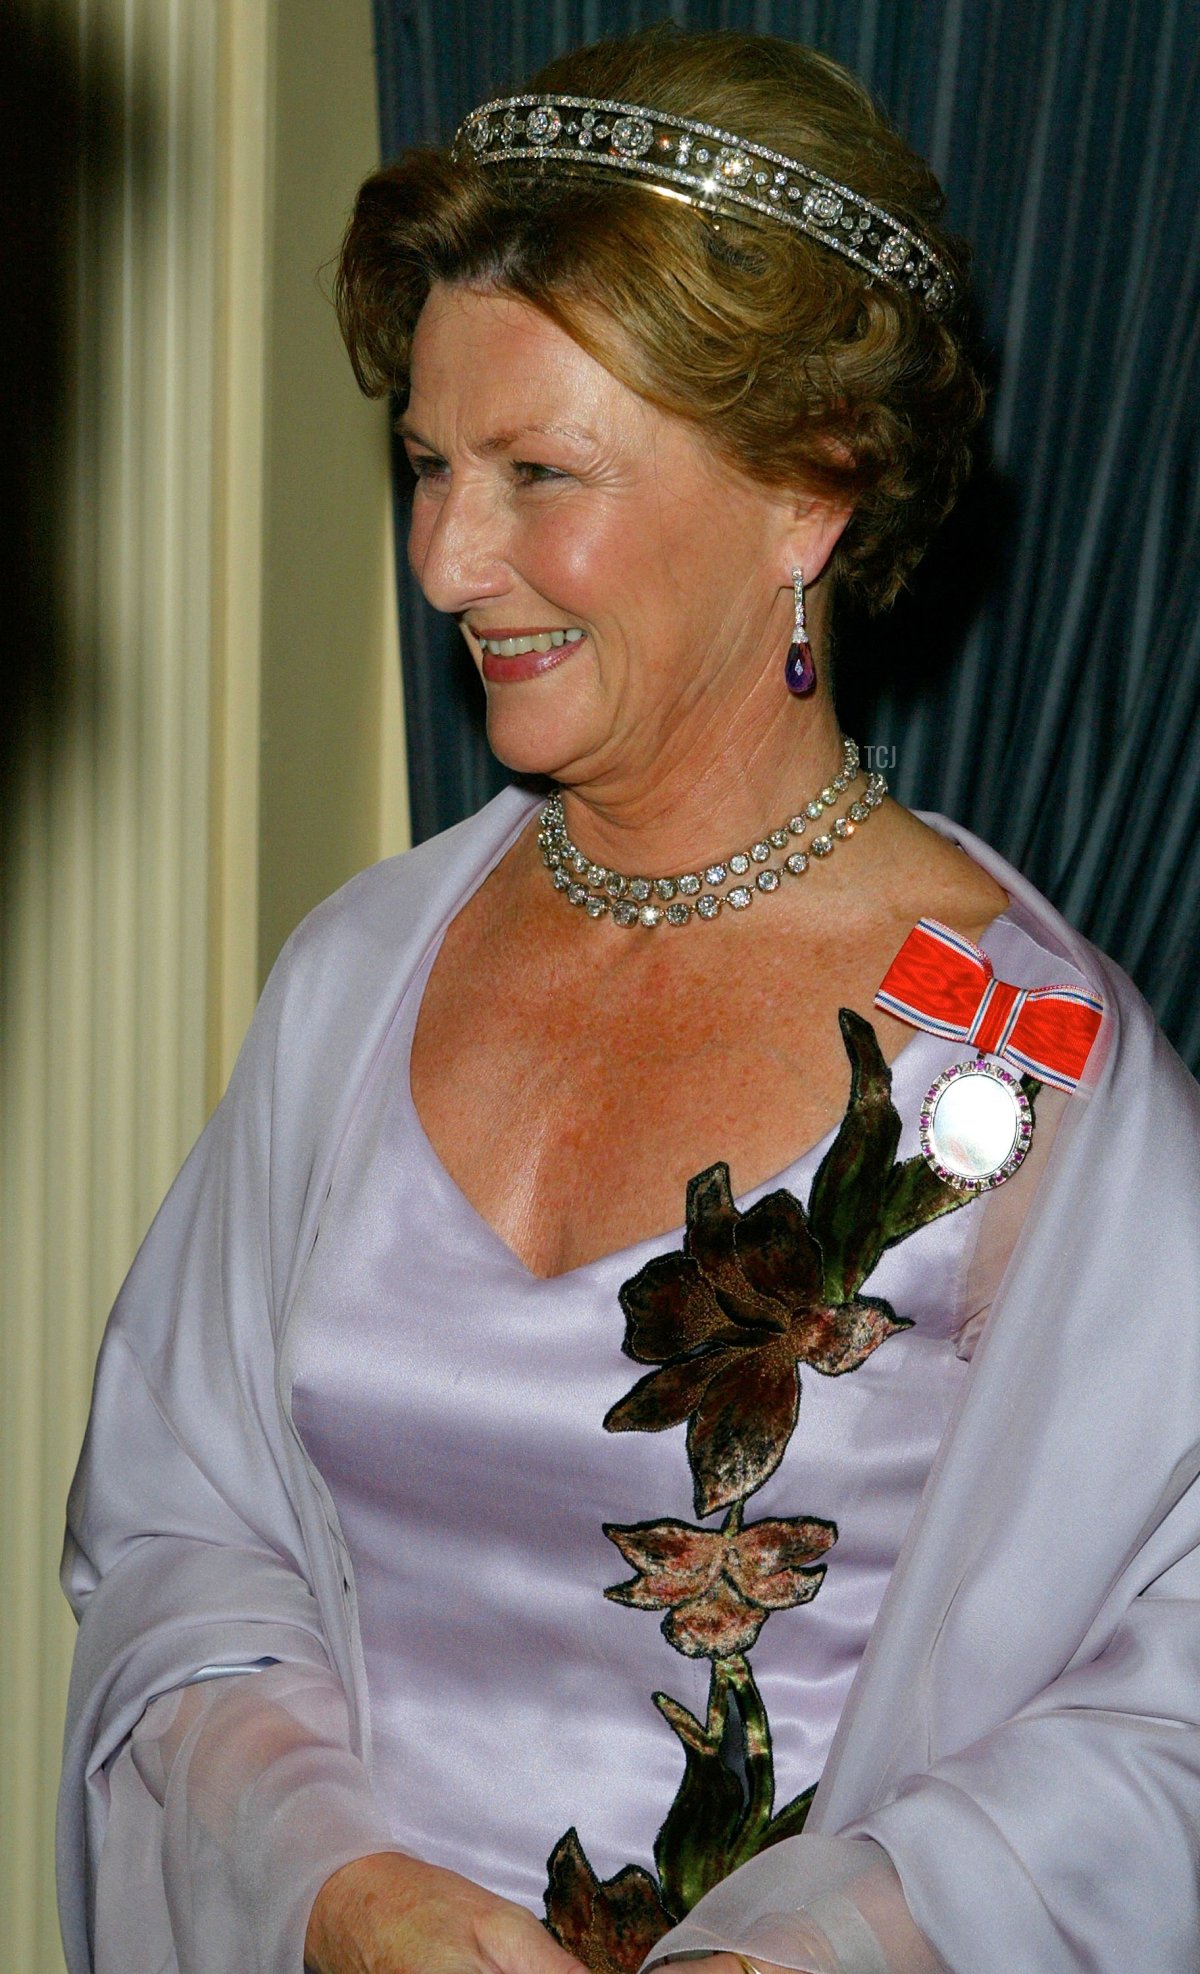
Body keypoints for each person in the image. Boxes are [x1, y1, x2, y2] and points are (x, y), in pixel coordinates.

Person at [57, 23, 1200, 1974]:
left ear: (809, 492)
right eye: (425, 463)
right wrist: (325, 1881)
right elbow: (183, 1548)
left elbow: (1169, 1724)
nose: (443, 557)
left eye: (536, 472)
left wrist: (831, 1949)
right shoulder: (358, 978)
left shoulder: (1039, 1073)